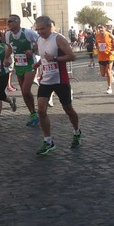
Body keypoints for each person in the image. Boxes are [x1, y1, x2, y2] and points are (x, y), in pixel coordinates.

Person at [32, 15, 81, 155]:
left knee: (68, 109)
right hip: (46, 80)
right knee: (41, 110)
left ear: (49, 27)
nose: (40, 31)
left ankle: (77, 131)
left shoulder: (58, 39)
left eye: (42, 29)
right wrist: (38, 63)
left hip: (61, 80)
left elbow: (72, 56)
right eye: (38, 29)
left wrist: (54, 58)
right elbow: (44, 57)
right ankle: (48, 140)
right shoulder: (39, 40)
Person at [5, 14, 40, 126]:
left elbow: (40, 42)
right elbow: (10, 48)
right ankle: (33, 113)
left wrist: (32, 51)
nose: (8, 23)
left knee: (25, 90)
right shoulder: (8, 34)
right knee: (24, 93)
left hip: (30, 64)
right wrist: (5, 58)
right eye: (8, 21)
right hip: (18, 65)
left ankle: (34, 112)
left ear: (18, 22)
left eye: (10, 21)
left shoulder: (28, 33)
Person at [95, 23, 114, 94]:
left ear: (105, 28)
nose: (100, 29)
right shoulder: (97, 36)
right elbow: (96, 44)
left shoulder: (110, 35)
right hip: (101, 57)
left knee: (108, 71)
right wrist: (96, 48)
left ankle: (109, 88)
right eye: (99, 28)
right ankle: (111, 74)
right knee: (103, 74)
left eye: (101, 28)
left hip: (109, 56)